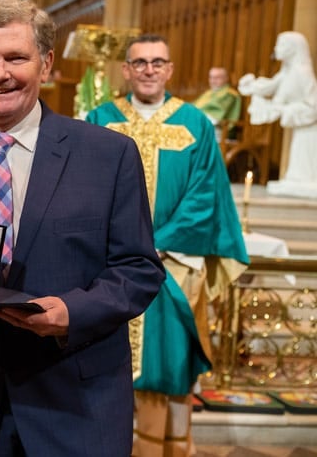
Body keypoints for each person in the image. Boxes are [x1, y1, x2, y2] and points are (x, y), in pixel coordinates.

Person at [0, 0, 165, 456]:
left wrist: (72, 313)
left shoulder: (107, 155)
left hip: (74, 404)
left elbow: (138, 269)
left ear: (45, 63)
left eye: (15, 58)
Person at [87, 34, 248, 456]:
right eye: (139, 62)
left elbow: (206, 194)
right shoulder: (99, 118)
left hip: (171, 266)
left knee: (168, 366)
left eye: (158, 62)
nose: (149, 70)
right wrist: (121, 244)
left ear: (170, 69)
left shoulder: (194, 123)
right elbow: (83, 186)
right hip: (109, 265)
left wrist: (155, 244)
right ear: (125, 70)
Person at [239, 30, 317, 198]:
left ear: (293, 49)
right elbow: (270, 87)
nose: (276, 48)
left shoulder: (302, 72)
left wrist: (283, 110)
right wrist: (251, 86)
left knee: (304, 164)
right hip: (301, 129)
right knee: (297, 164)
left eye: (281, 44)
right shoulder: (287, 71)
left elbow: (313, 106)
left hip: (310, 131)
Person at [193, 66, 242, 139]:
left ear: (226, 78)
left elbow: (217, 113)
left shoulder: (229, 94)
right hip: (201, 125)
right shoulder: (208, 93)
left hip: (218, 129)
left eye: (217, 78)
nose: (213, 81)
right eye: (211, 77)